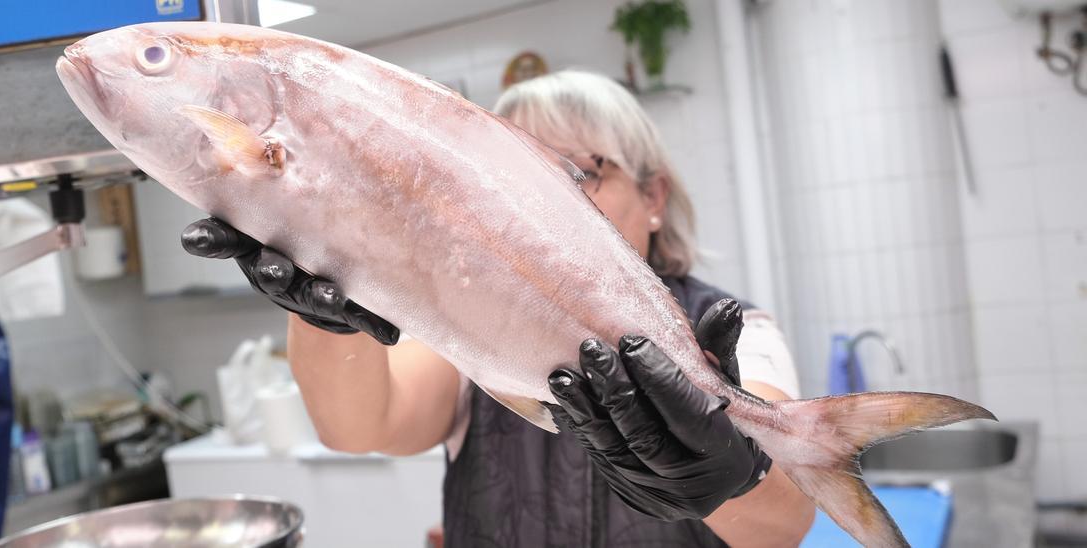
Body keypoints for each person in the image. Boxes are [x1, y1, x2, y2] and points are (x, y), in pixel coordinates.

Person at [181, 70, 815, 546]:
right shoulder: (465, 324)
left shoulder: (736, 331)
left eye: (581, 173)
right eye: (512, 180)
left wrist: (724, 475)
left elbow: (785, 525)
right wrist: (323, 303)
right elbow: (360, 427)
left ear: (653, 195)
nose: (539, 208)